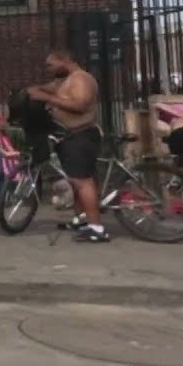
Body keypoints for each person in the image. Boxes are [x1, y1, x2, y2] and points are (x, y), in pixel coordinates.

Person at [27, 50, 106, 242]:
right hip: (69, 136)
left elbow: (79, 105)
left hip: (81, 135)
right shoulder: (64, 80)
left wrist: (46, 98)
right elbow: (45, 88)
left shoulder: (81, 79)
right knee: (74, 179)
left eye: (51, 65)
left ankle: (97, 228)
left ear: (65, 60)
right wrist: (33, 91)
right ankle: (81, 219)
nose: (49, 69)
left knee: (83, 181)